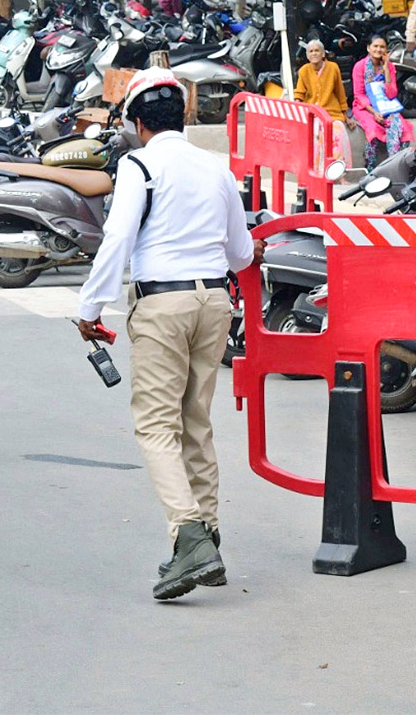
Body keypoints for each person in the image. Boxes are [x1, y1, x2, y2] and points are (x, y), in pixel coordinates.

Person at [76, 67, 263, 601]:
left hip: (163, 303)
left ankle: (189, 536)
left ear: (137, 121)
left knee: (156, 426)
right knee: (195, 421)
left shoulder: (139, 165)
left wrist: (90, 309)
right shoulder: (214, 166)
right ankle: (208, 535)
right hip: (213, 302)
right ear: (182, 114)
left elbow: (118, 239)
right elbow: (241, 253)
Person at [352, 34, 412, 172]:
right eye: (375, 46)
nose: (378, 50)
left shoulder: (389, 66)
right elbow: (359, 94)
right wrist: (374, 112)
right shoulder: (360, 66)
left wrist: (386, 70)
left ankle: (397, 166)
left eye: (382, 47)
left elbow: (392, 93)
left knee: (403, 128)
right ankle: (370, 169)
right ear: (368, 48)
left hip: (387, 106)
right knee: (373, 130)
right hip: (365, 108)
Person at [294, 39, 352, 169]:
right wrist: (299, 112)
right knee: (314, 134)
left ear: (323, 54)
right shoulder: (304, 71)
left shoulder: (333, 68)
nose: (314, 54)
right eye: (311, 51)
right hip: (313, 114)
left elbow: (340, 93)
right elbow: (299, 94)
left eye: (317, 51)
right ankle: (317, 170)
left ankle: (339, 172)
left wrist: (346, 115)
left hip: (332, 113)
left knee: (338, 134)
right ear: (307, 55)